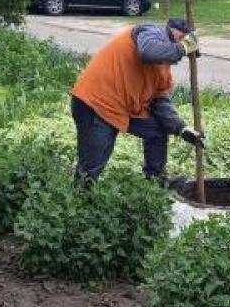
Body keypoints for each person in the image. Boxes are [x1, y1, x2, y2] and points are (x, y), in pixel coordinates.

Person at [70, 19, 205, 187]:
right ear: (177, 34)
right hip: (95, 103)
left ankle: (155, 181)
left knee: (156, 130)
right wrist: (181, 48)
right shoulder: (153, 31)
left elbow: (159, 101)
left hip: (122, 108)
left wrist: (181, 128)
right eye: (183, 46)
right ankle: (81, 199)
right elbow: (148, 51)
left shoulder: (163, 67)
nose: (181, 56)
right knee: (93, 163)